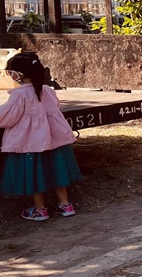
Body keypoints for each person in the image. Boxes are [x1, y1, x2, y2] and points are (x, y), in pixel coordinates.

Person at [0, 52, 82, 221]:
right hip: (54, 141)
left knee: (35, 176)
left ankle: (40, 209)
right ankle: (65, 205)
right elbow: (55, 108)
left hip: (32, 143)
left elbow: (6, 118)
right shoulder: (47, 91)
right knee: (57, 172)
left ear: (17, 75)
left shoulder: (19, 95)